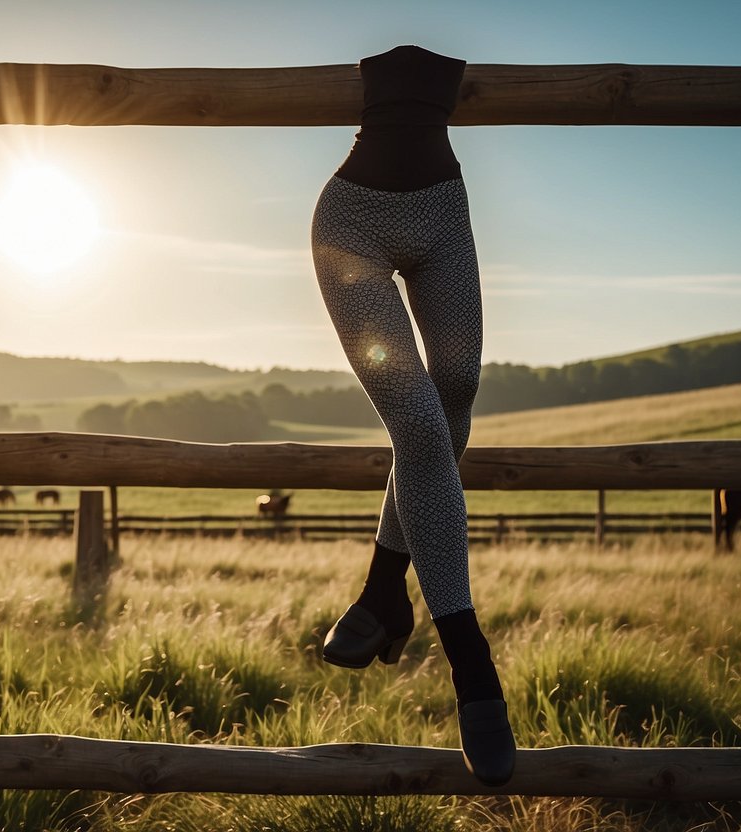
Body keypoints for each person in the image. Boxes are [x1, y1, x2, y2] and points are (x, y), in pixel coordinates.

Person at [310, 44, 515, 786]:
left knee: (456, 386)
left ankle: (379, 594)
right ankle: (472, 667)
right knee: (422, 429)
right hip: (350, 226)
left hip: (442, 215)